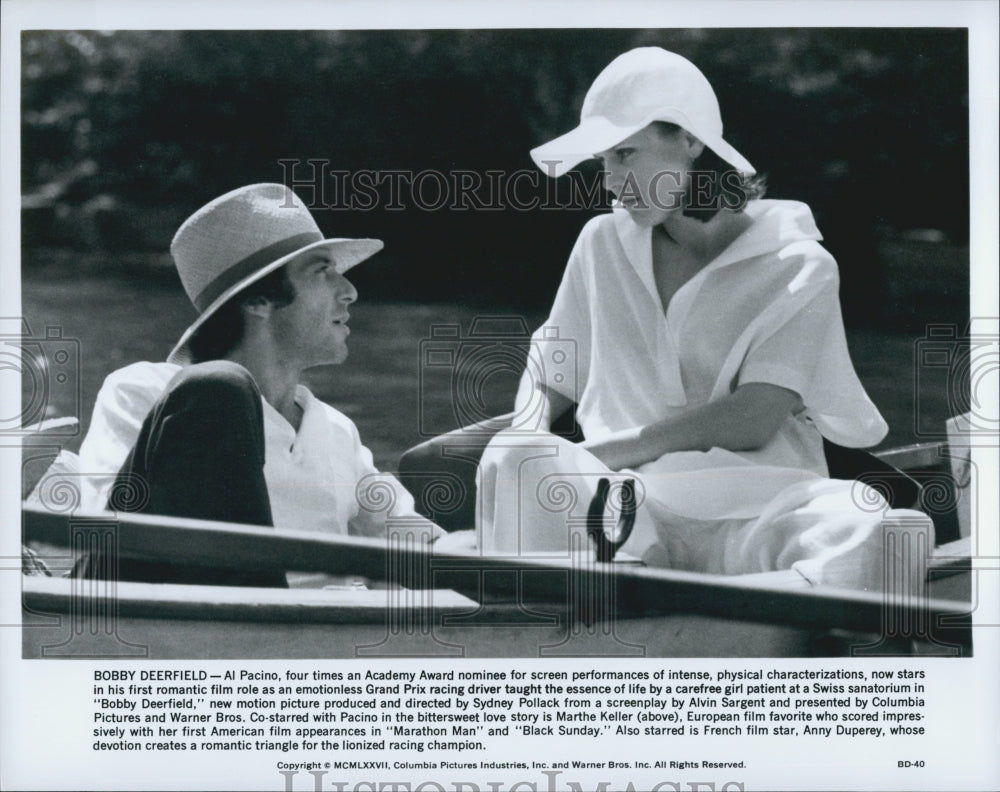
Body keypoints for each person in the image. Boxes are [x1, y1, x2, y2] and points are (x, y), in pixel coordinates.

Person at [405, 48, 931, 590]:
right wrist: (530, 438)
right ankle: (745, 608)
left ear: (691, 141)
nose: (608, 180)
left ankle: (699, 608)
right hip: (623, 509)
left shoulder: (802, 265)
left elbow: (753, 417)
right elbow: (551, 366)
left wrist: (601, 451)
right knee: (516, 452)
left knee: (886, 532)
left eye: (625, 154)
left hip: (759, 506)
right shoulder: (601, 242)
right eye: (603, 161)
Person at [74, 183, 450, 587]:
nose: (350, 291)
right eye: (323, 272)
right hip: (176, 621)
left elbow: (422, 546)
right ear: (259, 300)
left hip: (306, 636)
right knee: (218, 388)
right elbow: (108, 543)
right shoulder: (151, 392)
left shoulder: (337, 431)